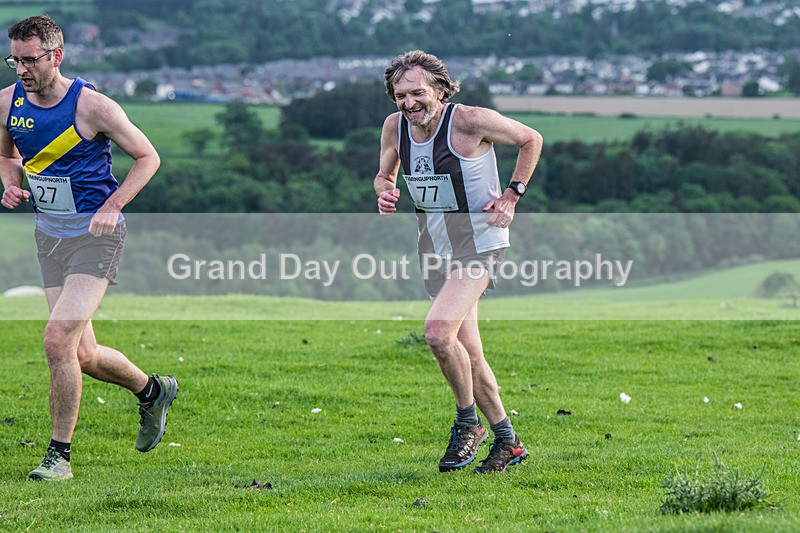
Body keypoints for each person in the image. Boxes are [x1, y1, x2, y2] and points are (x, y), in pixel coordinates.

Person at [0, 15, 177, 481]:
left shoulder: (93, 107)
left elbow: (148, 157)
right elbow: (6, 155)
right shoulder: (6, 104)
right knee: (82, 355)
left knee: (57, 339)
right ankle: (152, 391)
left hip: (96, 238)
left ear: (56, 56)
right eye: (14, 60)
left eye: (30, 60)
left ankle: (59, 458)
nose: (21, 70)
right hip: (49, 235)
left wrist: (113, 205)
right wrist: (10, 185)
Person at [375, 50, 543, 473]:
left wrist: (512, 196)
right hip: (434, 248)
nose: (408, 103)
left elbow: (531, 139)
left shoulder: (469, 120)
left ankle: (467, 423)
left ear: (440, 90)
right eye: (400, 95)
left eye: (417, 92)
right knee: (468, 350)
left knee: (436, 332)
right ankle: (509, 442)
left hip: (480, 245)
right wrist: (385, 191)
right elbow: (384, 175)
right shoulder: (395, 127)